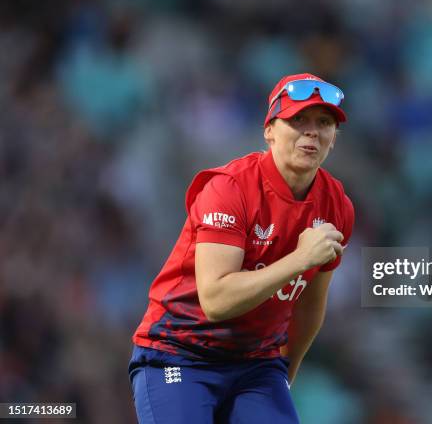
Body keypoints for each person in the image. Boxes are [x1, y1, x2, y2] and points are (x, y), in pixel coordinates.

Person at [129, 73, 354, 423]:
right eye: (298, 120)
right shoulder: (230, 189)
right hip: (178, 354)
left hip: (255, 365)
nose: (312, 131)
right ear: (269, 131)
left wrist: (284, 373)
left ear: (333, 139)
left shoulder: (337, 205)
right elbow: (217, 300)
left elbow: (310, 304)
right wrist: (300, 259)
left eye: (324, 122)